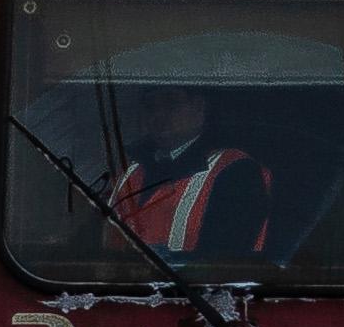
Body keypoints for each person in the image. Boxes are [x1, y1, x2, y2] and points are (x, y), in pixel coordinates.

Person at [110, 85, 270, 262]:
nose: (159, 115)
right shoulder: (130, 171)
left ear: (199, 108)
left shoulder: (236, 171)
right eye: (150, 107)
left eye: (171, 103)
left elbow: (225, 260)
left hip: (191, 288)